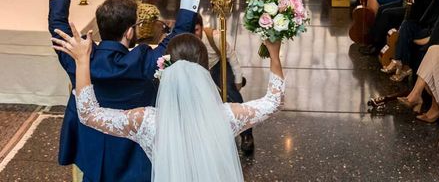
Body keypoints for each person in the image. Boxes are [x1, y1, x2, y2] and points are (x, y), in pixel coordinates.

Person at [52, 22, 285, 182]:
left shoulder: (148, 122)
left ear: (167, 68)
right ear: (204, 70)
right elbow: (274, 100)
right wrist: (274, 54)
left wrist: (83, 62)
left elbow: (89, 114)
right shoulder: (226, 117)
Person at [48, 0, 198, 182]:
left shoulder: (81, 59)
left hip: (95, 159)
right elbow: (181, 32)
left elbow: (58, 26)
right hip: (137, 163)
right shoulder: (145, 62)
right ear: (130, 32)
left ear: (100, 27)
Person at [193, 15, 254, 155]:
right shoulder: (184, 38)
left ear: (201, 27)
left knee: (231, 93)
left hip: (217, 66)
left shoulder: (213, 37)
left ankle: (246, 134)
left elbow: (231, 56)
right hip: (197, 70)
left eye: (196, 30)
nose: (193, 33)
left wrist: (237, 81)